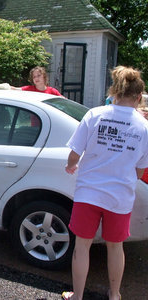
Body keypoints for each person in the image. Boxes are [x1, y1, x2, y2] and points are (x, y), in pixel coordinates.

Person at [62, 66, 148, 300]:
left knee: (82, 246)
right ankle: (115, 295)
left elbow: (74, 152)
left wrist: (71, 166)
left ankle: (77, 296)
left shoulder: (95, 114)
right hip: (119, 197)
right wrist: (131, 177)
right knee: (115, 246)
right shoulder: (143, 126)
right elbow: (141, 168)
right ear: (139, 97)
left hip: (88, 193)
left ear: (113, 92)